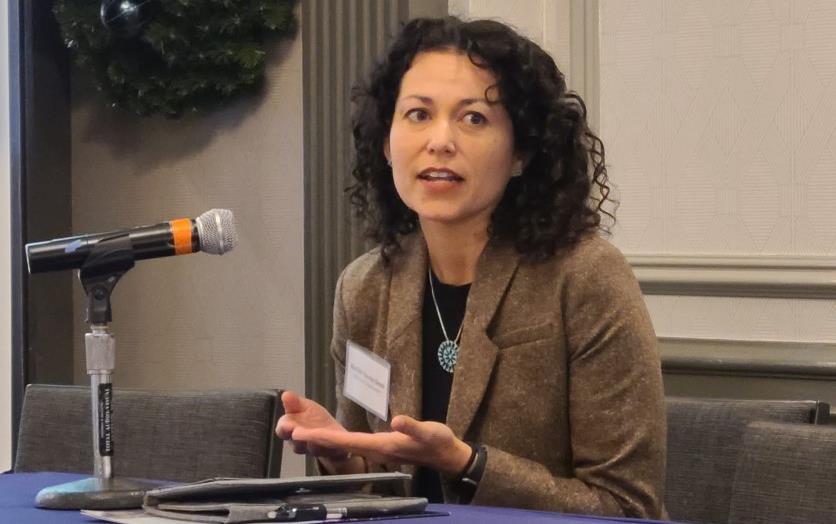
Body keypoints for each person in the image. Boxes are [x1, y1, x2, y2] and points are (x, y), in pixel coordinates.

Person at [277, 16, 666, 519]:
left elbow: (626, 505)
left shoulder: (586, 277)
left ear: (523, 151)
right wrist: (341, 457)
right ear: (385, 143)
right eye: (418, 114)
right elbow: (374, 495)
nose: (440, 140)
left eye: (474, 119)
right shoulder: (364, 289)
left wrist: (467, 464)